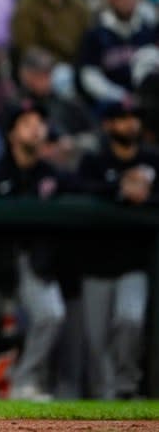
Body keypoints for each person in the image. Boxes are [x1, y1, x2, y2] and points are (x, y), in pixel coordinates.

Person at [0, 100, 69, 401]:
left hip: (31, 260)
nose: (36, 129)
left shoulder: (50, 174)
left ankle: (24, 384)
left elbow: (83, 189)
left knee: (51, 314)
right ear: (12, 133)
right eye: (27, 123)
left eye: (40, 122)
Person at [77, 100, 158, 398]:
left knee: (130, 319)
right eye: (122, 118)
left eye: (134, 117)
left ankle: (126, 388)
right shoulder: (94, 161)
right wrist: (118, 190)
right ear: (108, 124)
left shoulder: (152, 160)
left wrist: (143, 197)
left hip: (134, 262)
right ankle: (103, 398)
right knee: (96, 340)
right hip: (96, 262)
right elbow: (75, 189)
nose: (130, 124)